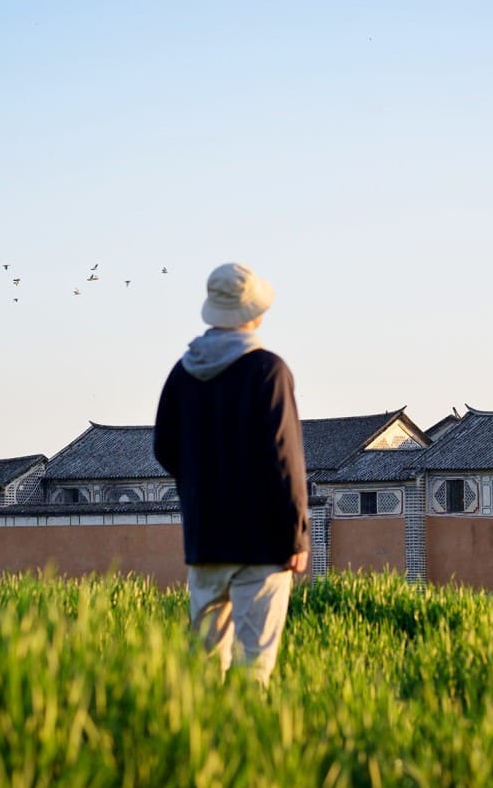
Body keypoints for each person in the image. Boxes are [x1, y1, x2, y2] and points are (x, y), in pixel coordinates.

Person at [153, 262, 310, 685]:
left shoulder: (183, 372)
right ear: (253, 313)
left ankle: (201, 742)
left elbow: (164, 449)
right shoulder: (268, 370)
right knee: (253, 666)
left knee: (203, 666)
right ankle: (243, 744)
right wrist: (296, 534)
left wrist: (203, 485)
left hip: (205, 540)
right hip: (263, 544)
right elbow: (285, 460)